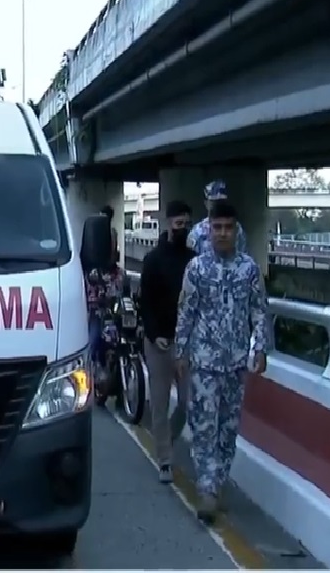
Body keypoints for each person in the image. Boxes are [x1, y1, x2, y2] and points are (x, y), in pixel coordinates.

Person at [174, 200, 267, 523]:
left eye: (228, 228)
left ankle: (218, 481)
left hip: (236, 364)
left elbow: (258, 311)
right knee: (204, 428)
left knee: (227, 430)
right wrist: (181, 351)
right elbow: (186, 313)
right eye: (217, 228)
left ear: (236, 230)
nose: (223, 233)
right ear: (209, 229)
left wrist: (261, 349)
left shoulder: (249, 269)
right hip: (204, 363)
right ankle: (207, 489)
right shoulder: (197, 269)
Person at [139, 200, 195, 484]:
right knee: (159, 403)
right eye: (178, 223)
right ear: (169, 223)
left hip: (186, 344)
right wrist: (154, 334)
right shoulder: (153, 260)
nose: (183, 228)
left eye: (187, 224)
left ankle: (166, 441)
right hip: (158, 342)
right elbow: (144, 302)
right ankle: (164, 460)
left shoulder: (194, 260)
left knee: (187, 403)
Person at [84, 224, 125, 376]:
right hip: (98, 314)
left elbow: (125, 294)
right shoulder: (93, 272)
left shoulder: (121, 274)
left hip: (116, 315)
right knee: (92, 342)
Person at [188, 181, 247, 255]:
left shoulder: (237, 228)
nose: (218, 205)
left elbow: (243, 255)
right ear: (206, 203)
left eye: (221, 202)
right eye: (214, 202)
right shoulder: (197, 231)